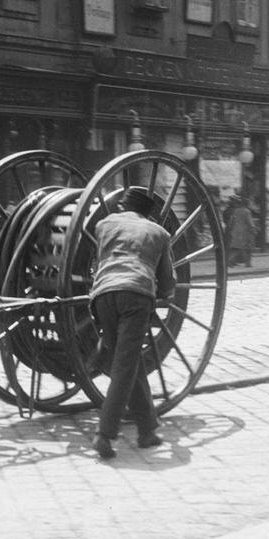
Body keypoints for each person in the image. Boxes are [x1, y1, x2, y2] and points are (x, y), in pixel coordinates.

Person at [88, 185, 176, 459]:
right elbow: (167, 281)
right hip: (135, 296)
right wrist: (162, 295)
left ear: (123, 207)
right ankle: (105, 435)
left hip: (103, 296)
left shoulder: (104, 225)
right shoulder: (158, 233)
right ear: (147, 213)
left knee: (128, 360)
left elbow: (98, 260)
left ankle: (147, 430)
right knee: (125, 366)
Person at [227, 198, 254, 267]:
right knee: (247, 248)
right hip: (245, 232)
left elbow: (231, 221)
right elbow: (249, 222)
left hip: (236, 231)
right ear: (247, 204)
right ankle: (247, 263)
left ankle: (231, 261)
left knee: (237, 248)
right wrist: (253, 229)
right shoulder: (247, 211)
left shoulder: (236, 211)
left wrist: (231, 229)